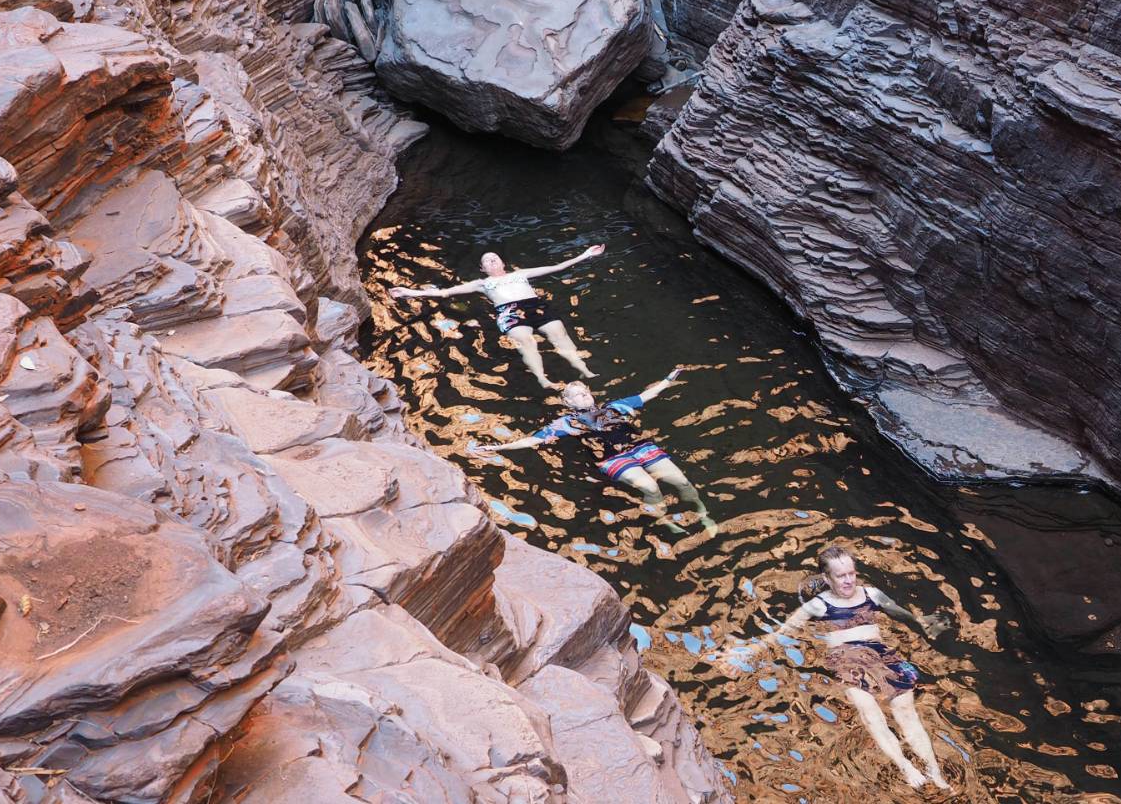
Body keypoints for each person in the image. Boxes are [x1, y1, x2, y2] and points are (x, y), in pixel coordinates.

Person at [775, 545, 952, 790]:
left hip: (880, 656)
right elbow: (783, 631)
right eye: (841, 576)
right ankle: (905, 766)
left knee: (906, 712)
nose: (848, 580)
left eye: (851, 573)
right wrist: (748, 650)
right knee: (871, 714)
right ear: (827, 578)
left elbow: (900, 614)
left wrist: (924, 624)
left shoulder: (872, 595)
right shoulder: (818, 606)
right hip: (846, 661)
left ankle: (935, 772)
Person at [467, 370, 717, 534]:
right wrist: (497, 447)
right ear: (568, 403)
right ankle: (664, 520)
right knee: (650, 487)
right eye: (576, 395)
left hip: (640, 447)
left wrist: (669, 379)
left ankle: (702, 512)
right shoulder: (565, 424)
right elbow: (531, 441)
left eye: (585, 391)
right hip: (611, 458)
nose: (583, 396)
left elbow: (646, 395)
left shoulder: (614, 407)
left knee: (681, 480)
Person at [390, 245, 604, 388]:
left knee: (559, 333)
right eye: (487, 261)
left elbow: (556, 267)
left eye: (495, 258)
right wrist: (410, 292)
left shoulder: (520, 274)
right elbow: (444, 292)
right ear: (483, 269)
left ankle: (584, 369)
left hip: (535, 306)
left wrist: (586, 255)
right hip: (509, 311)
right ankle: (542, 378)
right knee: (525, 340)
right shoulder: (482, 284)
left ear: (503, 263)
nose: (492, 261)